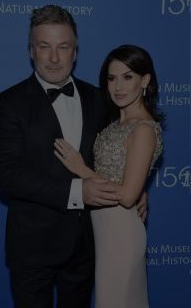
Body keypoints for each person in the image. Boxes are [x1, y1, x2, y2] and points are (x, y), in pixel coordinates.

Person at [0, 4, 147, 307]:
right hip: (33, 247)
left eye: (63, 47)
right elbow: (8, 177)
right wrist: (78, 191)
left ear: (75, 51)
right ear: (31, 51)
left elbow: (123, 149)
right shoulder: (9, 103)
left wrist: (135, 186)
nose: (54, 57)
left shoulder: (101, 99)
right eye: (44, 46)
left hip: (89, 242)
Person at [53, 44, 163, 308]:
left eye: (128, 77)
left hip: (122, 231)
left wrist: (81, 169)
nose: (118, 87)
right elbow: (123, 179)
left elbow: (127, 196)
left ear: (145, 80)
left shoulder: (145, 129)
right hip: (100, 230)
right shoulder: (115, 124)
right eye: (112, 78)